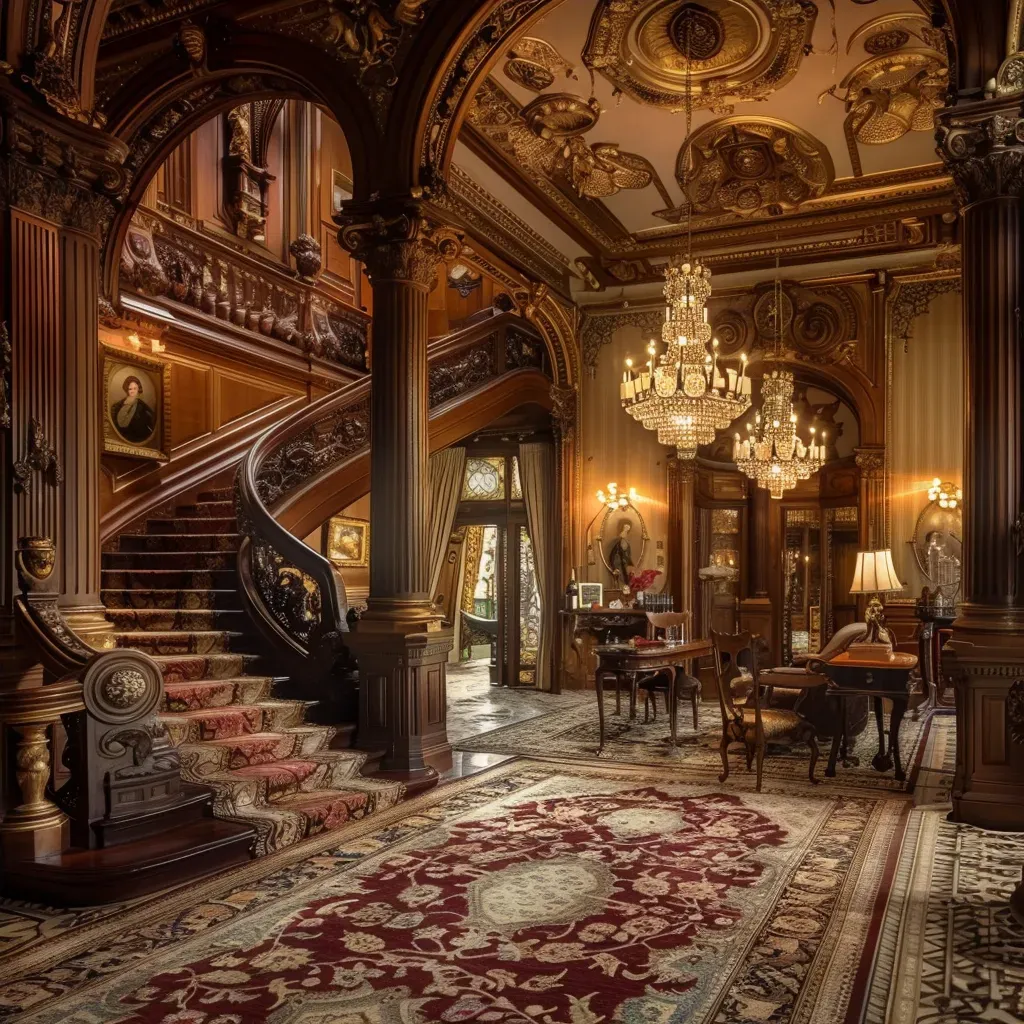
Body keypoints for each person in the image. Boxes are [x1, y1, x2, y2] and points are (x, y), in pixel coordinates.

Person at [111, 375, 155, 444]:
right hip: (120, 440)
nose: (132, 391)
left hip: (137, 440)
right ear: (127, 390)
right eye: (130, 389)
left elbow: (151, 425)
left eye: (135, 389)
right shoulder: (117, 406)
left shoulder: (143, 407)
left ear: (138, 390)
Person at [607, 519, 634, 584]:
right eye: (624, 529)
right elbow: (611, 556)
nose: (625, 532)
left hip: (625, 569)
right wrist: (614, 568)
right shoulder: (615, 542)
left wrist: (631, 567)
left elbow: (628, 557)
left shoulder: (627, 544)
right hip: (617, 567)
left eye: (627, 530)